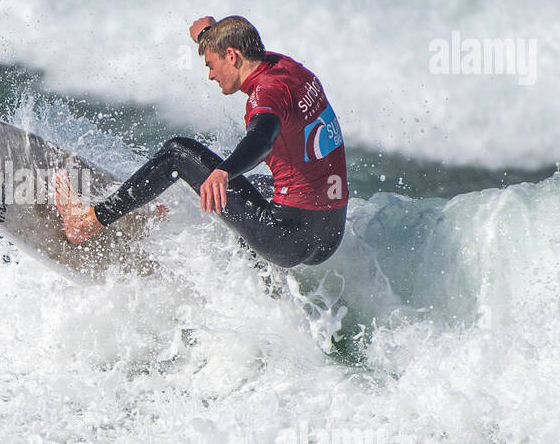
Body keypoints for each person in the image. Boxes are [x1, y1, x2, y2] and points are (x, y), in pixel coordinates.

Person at [53, 15, 348, 267]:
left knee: (178, 153)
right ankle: (253, 273)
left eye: (210, 64)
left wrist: (224, 171)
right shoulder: (289, 70)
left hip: (285, 237)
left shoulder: (267, 95)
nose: (210, 76)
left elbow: (262, 138)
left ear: (232, 56)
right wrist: (209, 36)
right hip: (328, 235)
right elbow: (241, 46)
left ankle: (87, 222)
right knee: (254, 184)